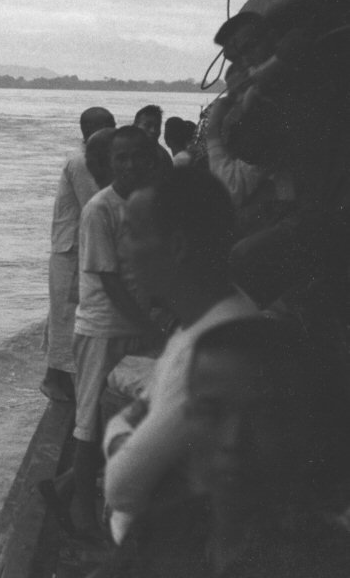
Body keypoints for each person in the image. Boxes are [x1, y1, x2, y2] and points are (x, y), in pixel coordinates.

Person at [118, 317, 350, 577]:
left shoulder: (326, 562)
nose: (233, 440)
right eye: (211, 413)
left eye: (264, 416)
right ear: (188, 419)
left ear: (299, 428)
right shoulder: (161, 528)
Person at [103, 168, 259, 545]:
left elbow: (121, 487)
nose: (122, 249)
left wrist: (117, 431)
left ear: (176, 247)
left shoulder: (206, 353)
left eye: (132, 234)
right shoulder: (216, 317)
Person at [70, 125, 159, 539]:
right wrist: (149, 322)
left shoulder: (152, 203)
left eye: (137, 157)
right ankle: (79, 508)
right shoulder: (99, 209)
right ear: (108, 164)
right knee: (88, 422)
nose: (128, 165)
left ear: (149, 159)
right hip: (104, 327)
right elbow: (110, 279)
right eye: (119, 158)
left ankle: (99, 495)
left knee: (126, 413)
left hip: (138, 321)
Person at [41, 107, 115, 402]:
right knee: (66, 314)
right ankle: (55, 381)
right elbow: (94, 204)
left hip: (71, 247)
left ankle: (56, 378)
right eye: (108, 126)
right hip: (72, 249)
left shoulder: (87, 158)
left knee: (62, 313)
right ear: (91, 130)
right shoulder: (84, 162)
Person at [133, 105, 173, 177]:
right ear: (135, 126)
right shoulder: (124, 149)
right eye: (148, 125)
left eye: (157, 126)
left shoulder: (162, 157)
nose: (153, 131)